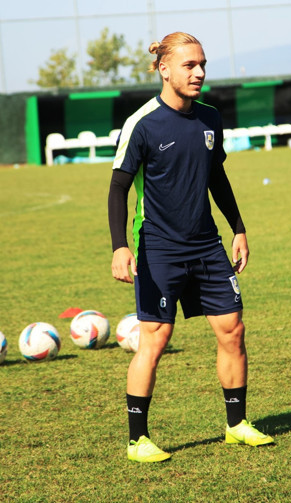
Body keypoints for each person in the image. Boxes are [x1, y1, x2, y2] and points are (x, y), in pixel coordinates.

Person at [108, 31, 274, 463]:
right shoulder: (142, 123)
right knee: (155, 339)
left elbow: (216, 176)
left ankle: (236, 424)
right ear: (164, 69)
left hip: (207, 244)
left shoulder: (210, 118)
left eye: (202, 65)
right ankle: (138, 440)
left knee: (232, 330)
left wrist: (237, 228)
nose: (199, 72)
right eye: (189, 65)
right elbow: (118, 188)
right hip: (158, 247)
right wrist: (120, 247)